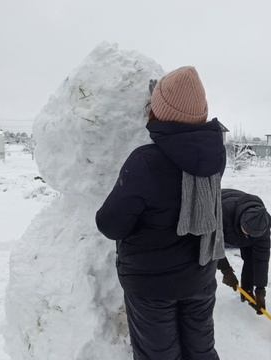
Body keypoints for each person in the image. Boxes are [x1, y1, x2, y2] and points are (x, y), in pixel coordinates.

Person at [96, 66, 226, 360]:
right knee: (201, 352)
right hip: (200, 275)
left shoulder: (145, 162)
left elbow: (110, 225)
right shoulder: (215, 155)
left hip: (152, 285)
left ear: (160, 111)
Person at [216, 189, 271, 315]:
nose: (248, 235)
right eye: (246, 231)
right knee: (203, 259)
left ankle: (247, 290)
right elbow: (212, 244)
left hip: (235, 225)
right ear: (242, 222)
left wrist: (260, 288)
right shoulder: (221, 213)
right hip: (218, 221)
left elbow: (261, 258)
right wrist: (226, 270)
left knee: (251, 257)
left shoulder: (262, 225)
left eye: (252, 235)